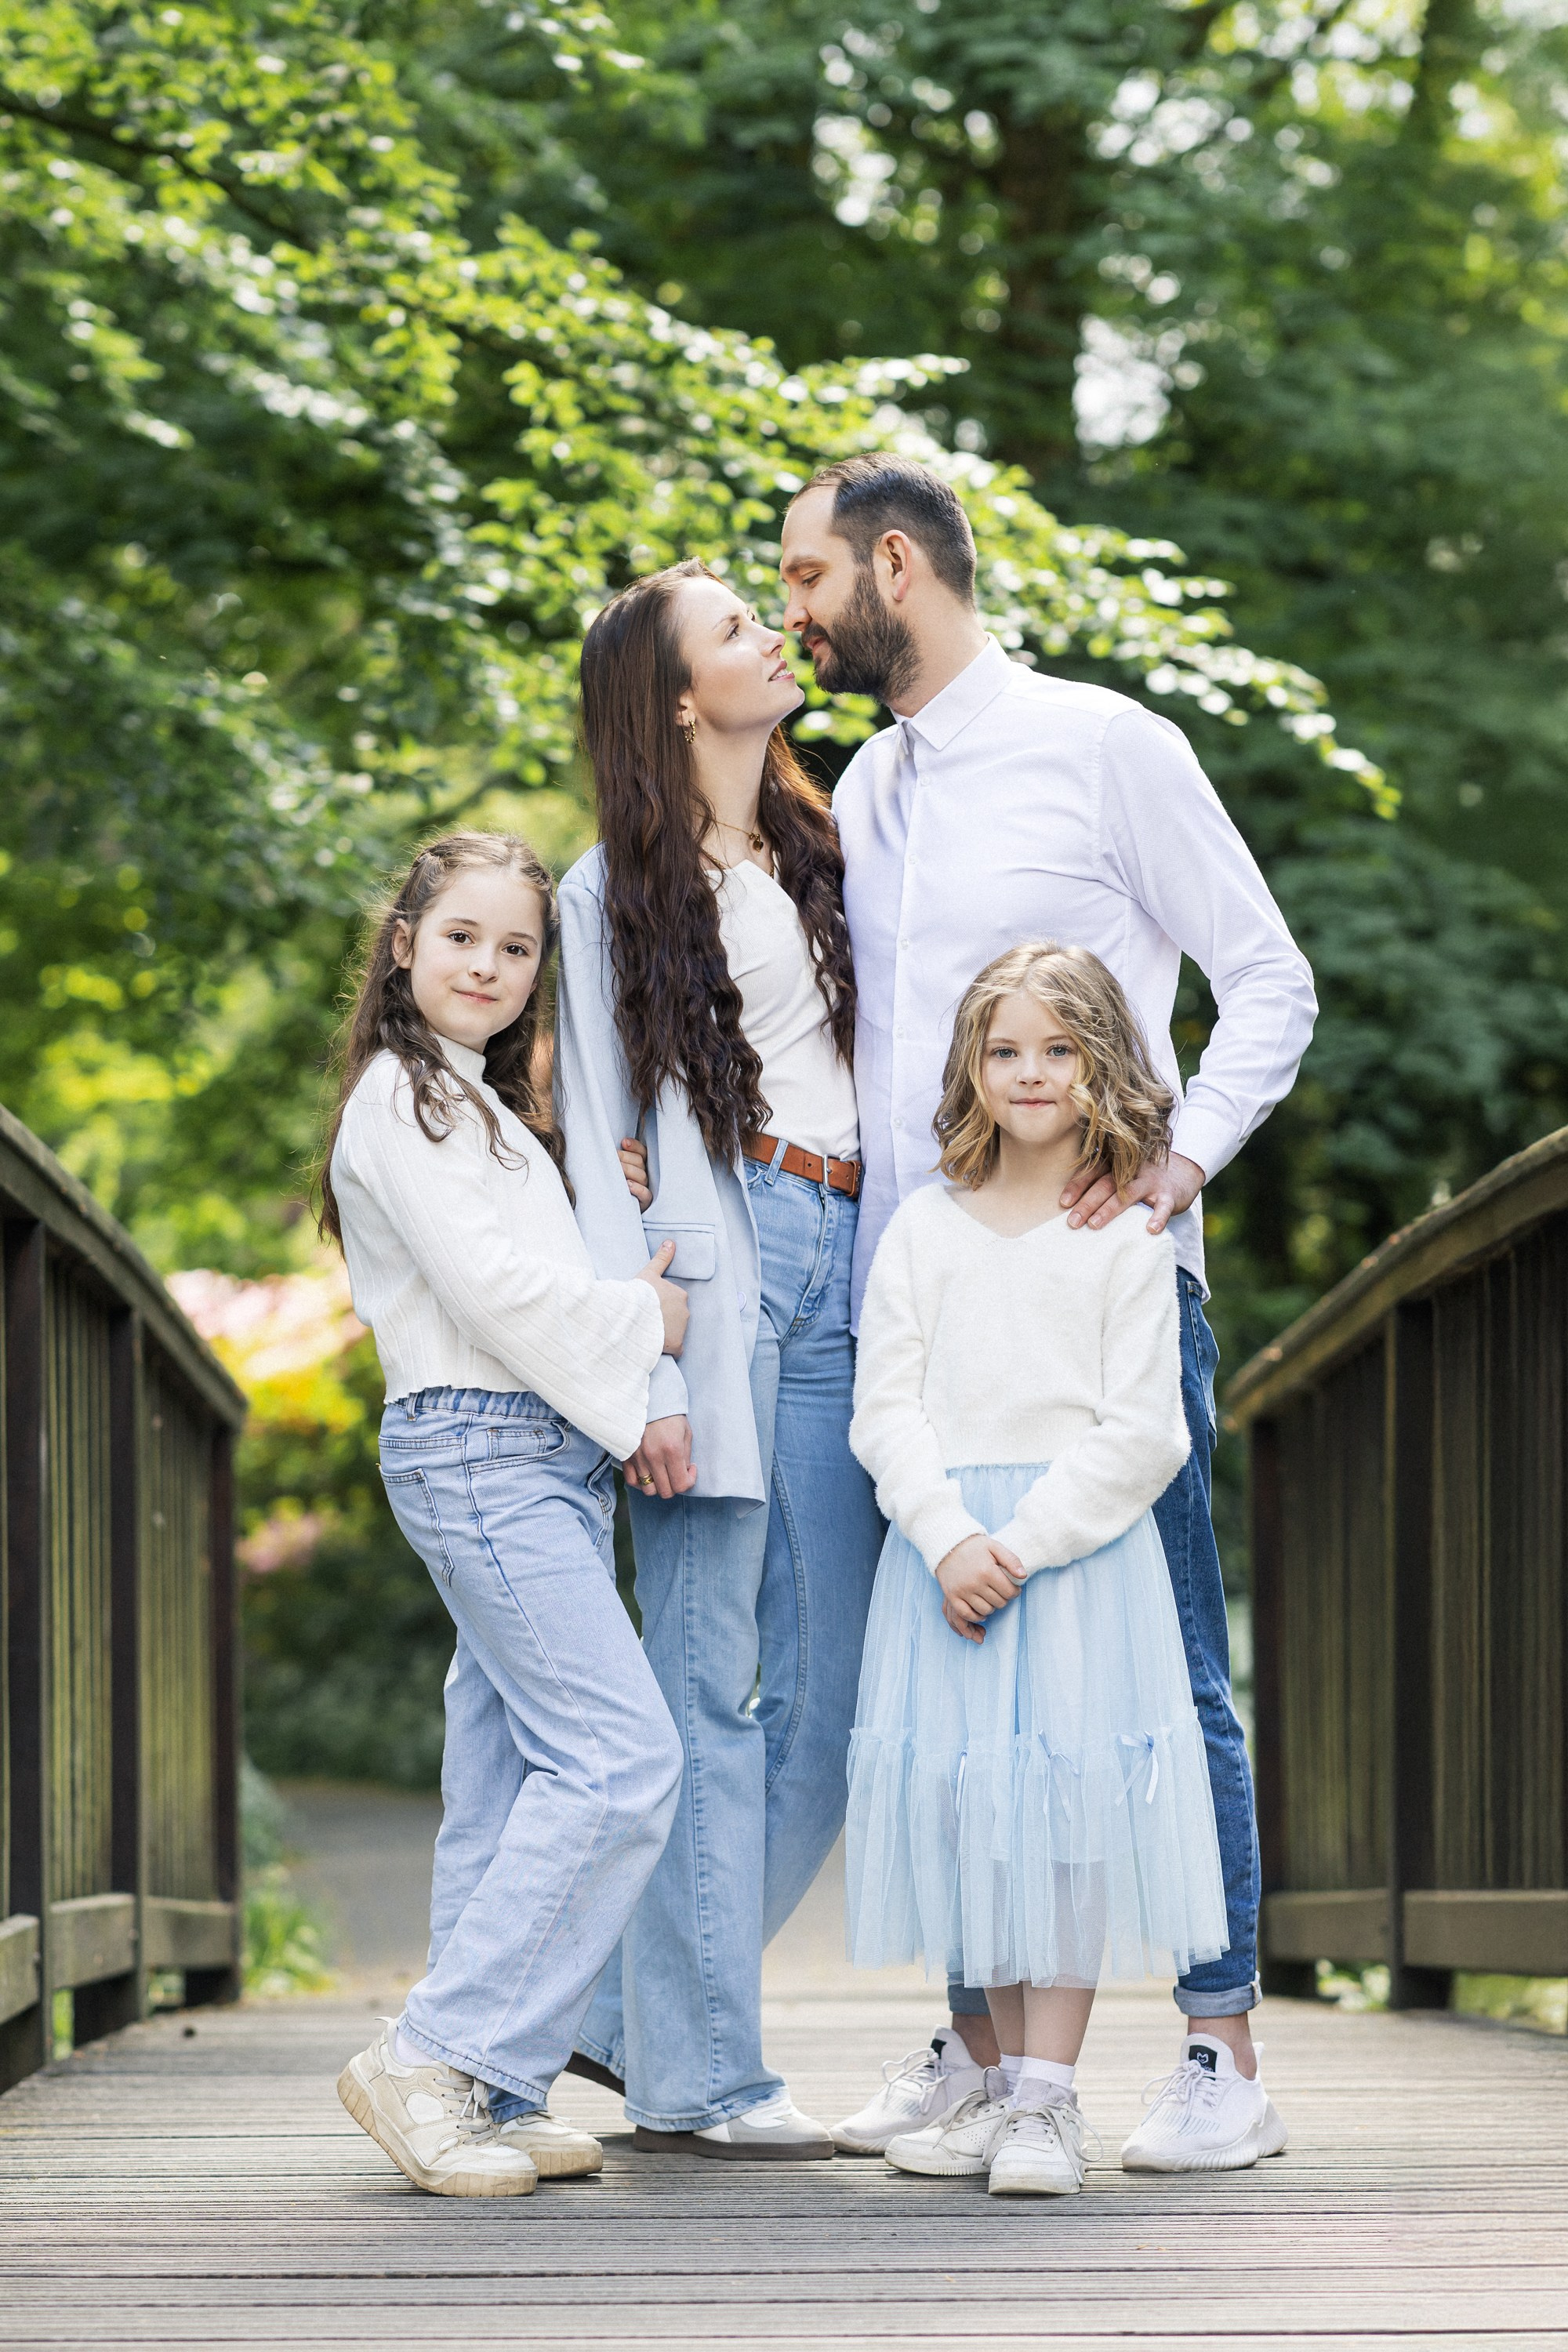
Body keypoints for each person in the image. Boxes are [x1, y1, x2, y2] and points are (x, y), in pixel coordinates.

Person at [780, 455, 1316, 2172]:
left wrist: (1180, 1167)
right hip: (916, 1305)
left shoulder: (1106, 747)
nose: (792, 610)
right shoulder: (864, 790)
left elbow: (1268, 979)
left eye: (802, 578)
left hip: (1098, 1299)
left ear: (890, 565)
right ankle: (984, 2045)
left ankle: (1220, 2048)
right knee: (962, 1669)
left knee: (1158, 1659)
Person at [846, 942, 1272, 2195]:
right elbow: (886, 1407)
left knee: (1066, 1816)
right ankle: (986, 2087)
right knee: (979, 1808)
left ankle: (1047, 2101)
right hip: (948, 1564)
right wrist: (943, 1535)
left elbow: (1143, 1430)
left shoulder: (1131, 1231)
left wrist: (1018, 1546)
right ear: (971, 1068)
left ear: (1102, 1063)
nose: (1031, 1073)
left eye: (1059, 1048)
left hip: (1072, 1568)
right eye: (1005, 1049)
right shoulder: (926, 1224)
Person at [554, 560, 885, 2157]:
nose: (775, 634)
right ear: (680, 697)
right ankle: (706, 2078)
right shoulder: (606, 885)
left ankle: (620, 2025)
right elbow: (599, 1141)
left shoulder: (832, 842)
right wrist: (649, 1377)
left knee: (829, 1695)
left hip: (851, 1260)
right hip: (717, 1265)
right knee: (706, 1685)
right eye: (738, 629)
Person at [321, 831, 688, 2198]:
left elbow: (518, 1254)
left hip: (535, 1459)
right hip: (479, 1455)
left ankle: (489, 2081)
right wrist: (644, 1318)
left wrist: (595, 1203)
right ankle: (433, 2053)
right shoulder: (398, 1102)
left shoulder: (476, 1108)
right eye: (462, 935)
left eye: (517, 947)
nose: (488, 964)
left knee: (509, 1766)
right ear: (403, 941)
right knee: (618, 1758)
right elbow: (495, 1298)